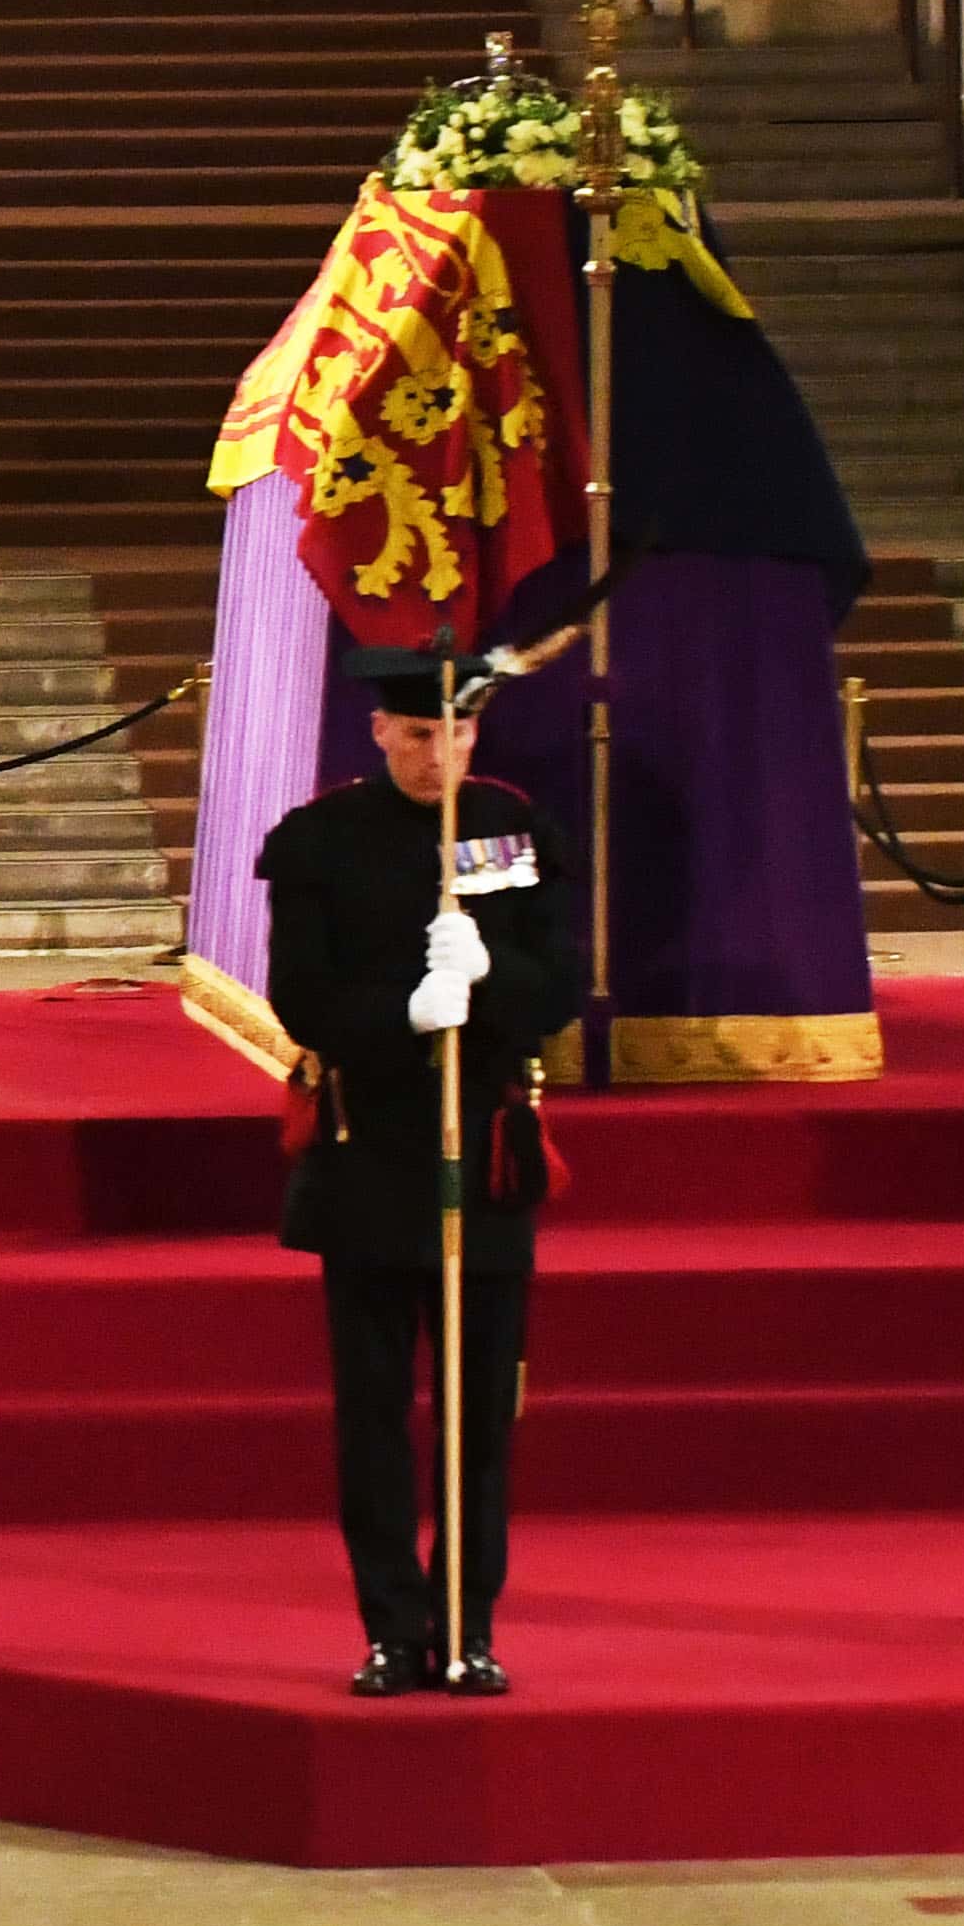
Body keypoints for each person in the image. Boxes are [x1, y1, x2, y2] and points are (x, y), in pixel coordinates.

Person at [262, 639, 583, 1697]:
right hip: (369, 1157)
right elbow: (301, 997)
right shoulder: (321, 840)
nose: (436, 759)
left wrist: (489, 984)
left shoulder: (509, 828)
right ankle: (391, 1627)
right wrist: (404, 1010)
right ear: (378, 732)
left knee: (478, 1416)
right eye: (416, 737)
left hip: (480, 1155)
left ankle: (468, 1624)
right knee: (372, 1415)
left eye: (455, 735)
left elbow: (559, 985)